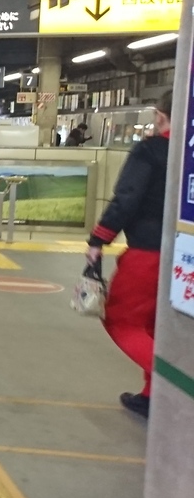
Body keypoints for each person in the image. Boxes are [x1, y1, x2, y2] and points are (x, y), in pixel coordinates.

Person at [87, 90, 172, 418]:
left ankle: (175, 387)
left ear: (159, 115)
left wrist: (99, 239)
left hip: (150, 252)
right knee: (161, 326)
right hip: (185, 255)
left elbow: (128, 197)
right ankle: (153, 397)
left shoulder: (152, 150)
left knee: (122, 319)